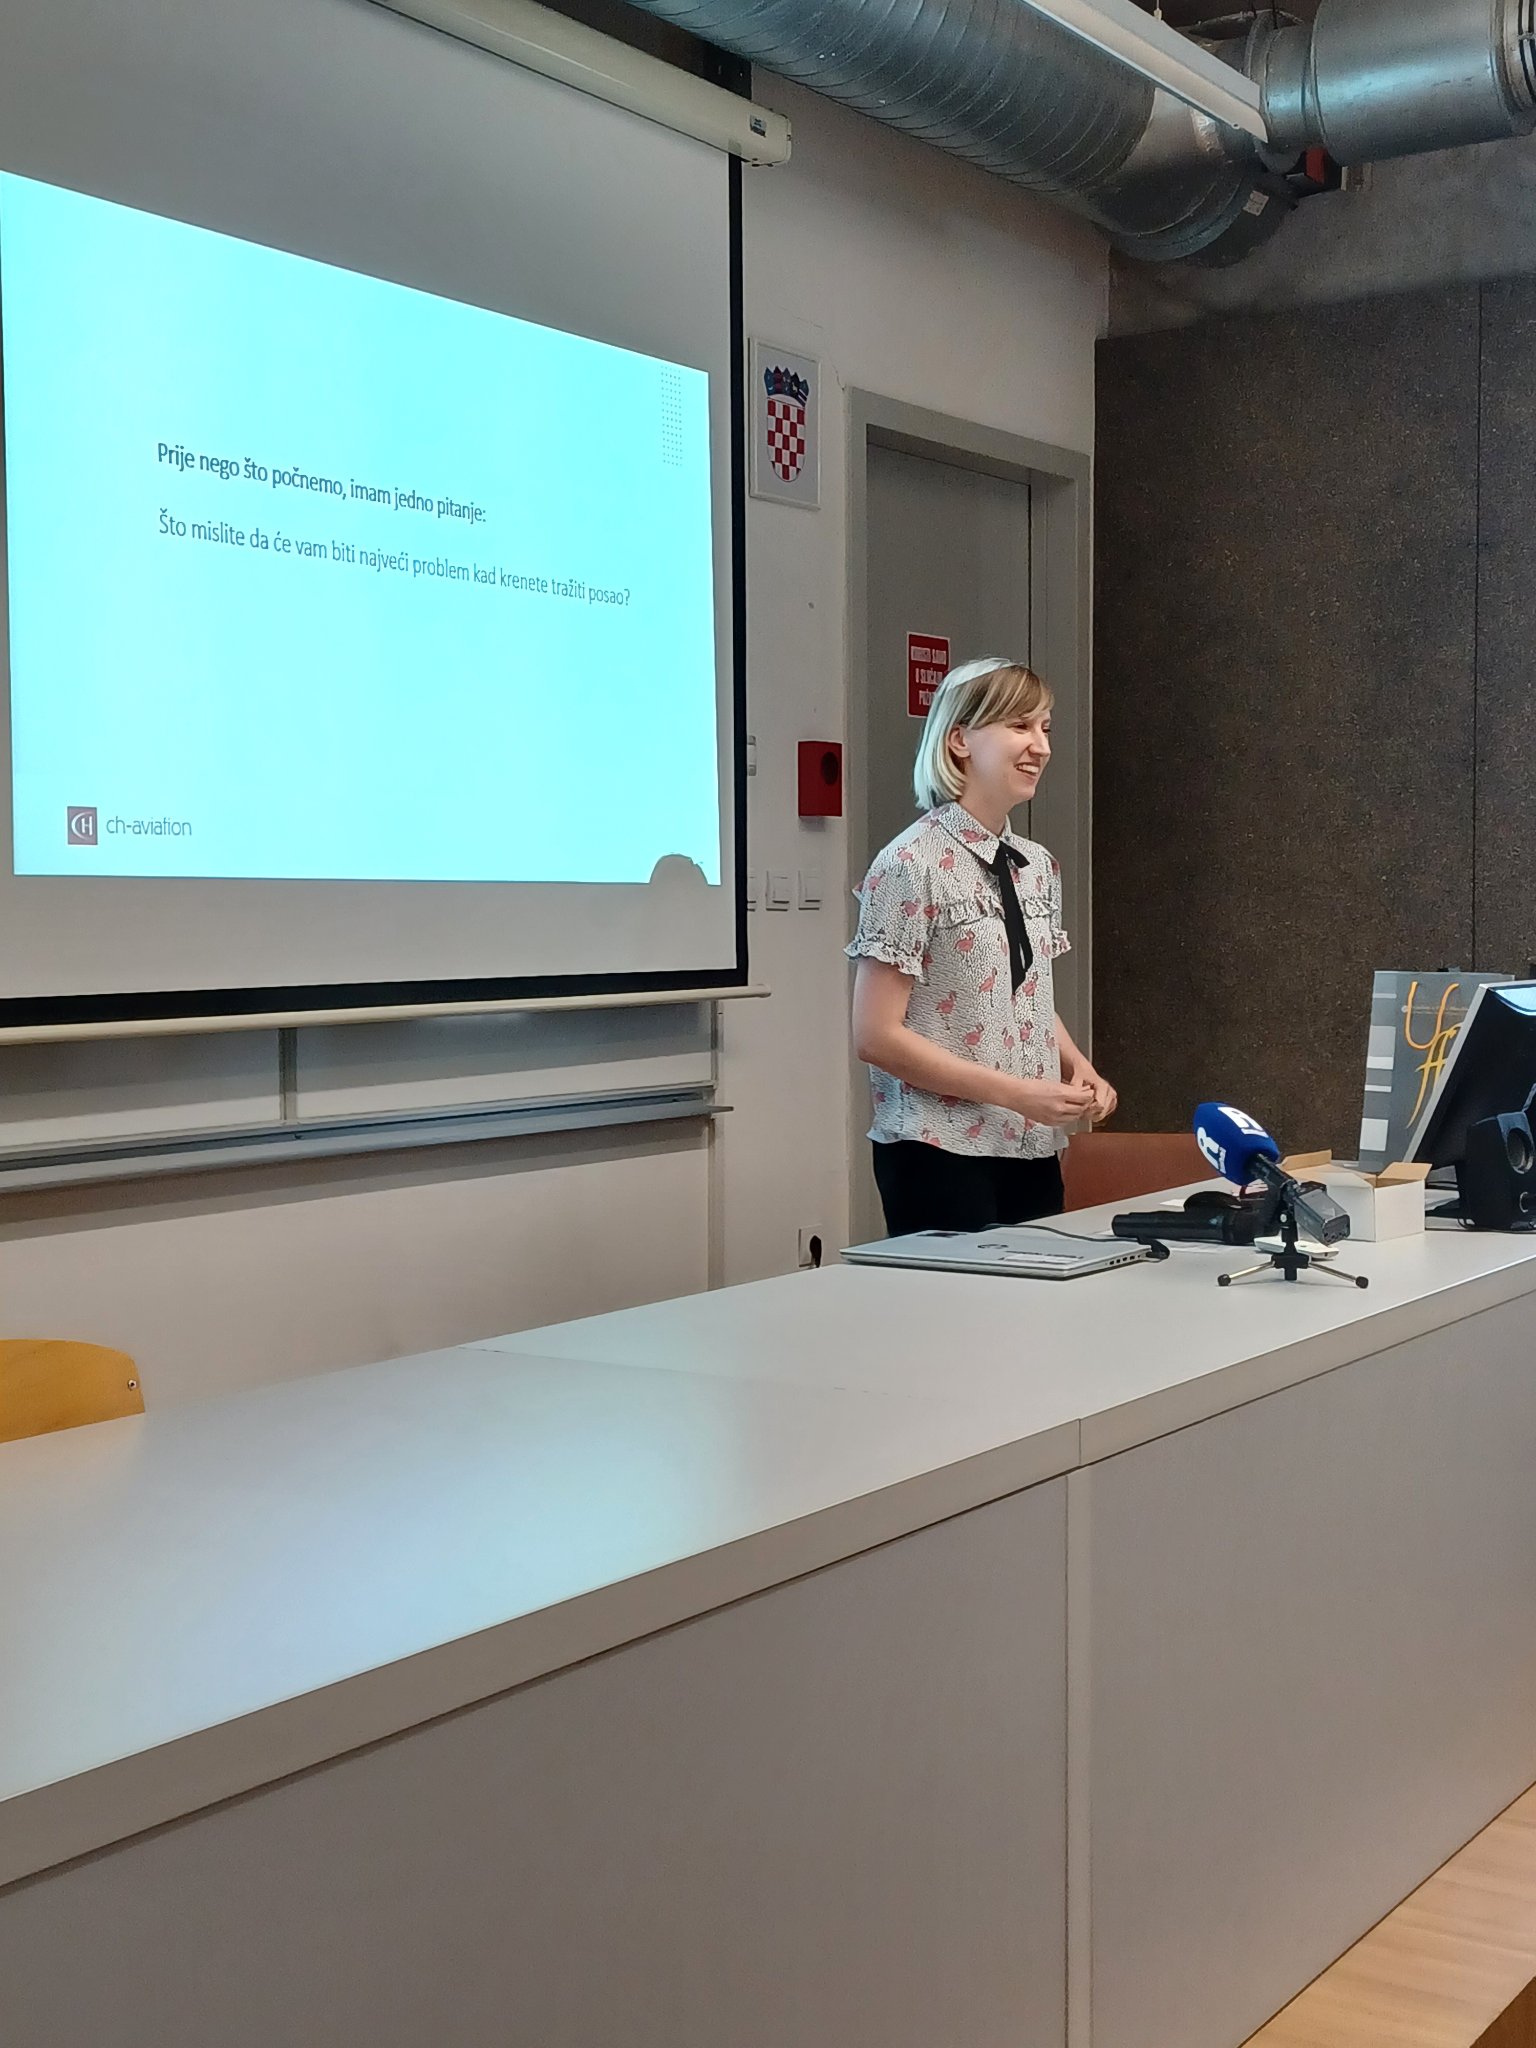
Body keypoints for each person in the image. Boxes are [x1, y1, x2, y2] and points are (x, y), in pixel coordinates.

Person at [848, 656, 1117, 1235]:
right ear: (959, 740)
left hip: (1028, 1142)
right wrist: (1019, 1093)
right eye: (1019, 726)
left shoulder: (1036, 865)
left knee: (1036, 1290)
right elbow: (875, 1036)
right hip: (936, 1151)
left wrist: (1077, 1065)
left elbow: (1022, 996)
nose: (1041, 746)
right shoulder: (909, 864)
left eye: (1045, 727)